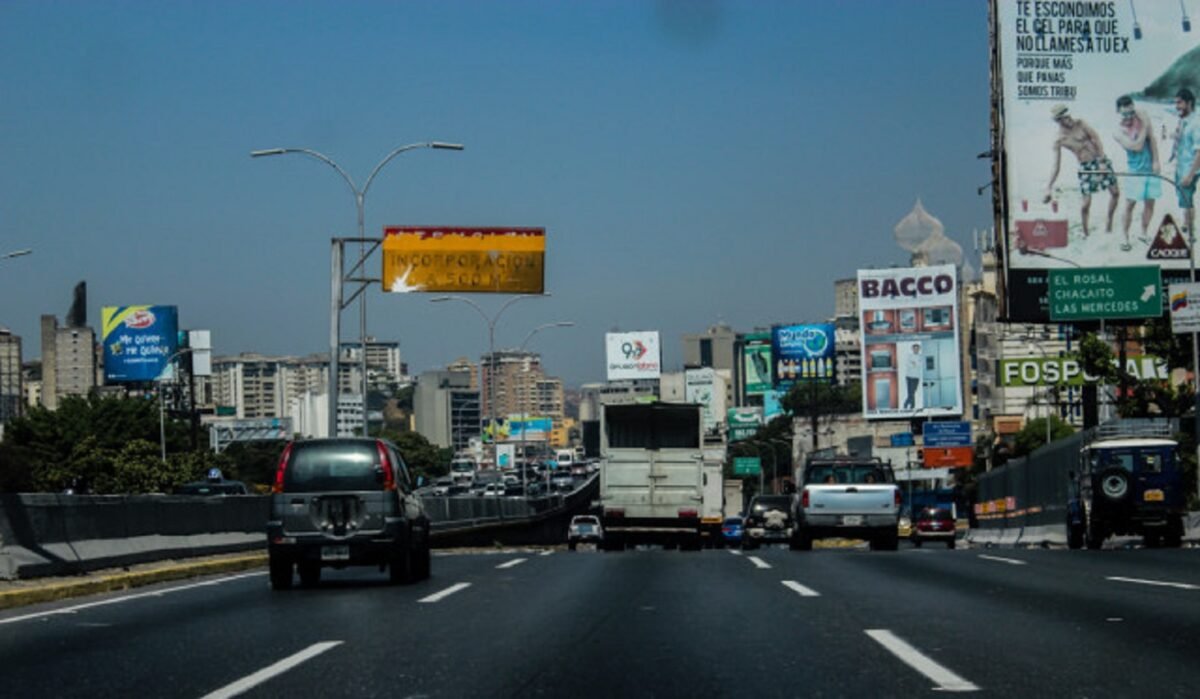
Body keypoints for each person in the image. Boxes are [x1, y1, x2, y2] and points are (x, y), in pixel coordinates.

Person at [1044, 104, 1120, 238]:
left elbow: (1096, 138)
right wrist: (1048, 187)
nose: (1068, 120)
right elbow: (1056, 165)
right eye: (1063, 119)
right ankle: (1086, 233)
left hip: (1099, 159)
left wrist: (1102, 161)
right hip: (1085, 167)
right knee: (1085, 204)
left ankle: (1109, 221)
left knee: (1115, 192)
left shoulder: (1081, 123)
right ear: (1057, 121)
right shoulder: (1059, 139)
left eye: (1068, 116)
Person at [1112, 95, 1160, 250]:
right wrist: (1145, 125)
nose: (1129, 117)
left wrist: (1156, 161)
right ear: (1118, 112)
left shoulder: (1142, 115)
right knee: (1130, 204)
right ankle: (1124, 236)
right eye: (1125, 114)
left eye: (1131, 112)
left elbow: (1152, 139)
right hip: (1134, 171)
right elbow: (1137, 146)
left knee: (1150, 202)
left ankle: (1144, 233)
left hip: (1150, 168)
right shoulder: (1118, 132)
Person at [1173, 88, 1200, 238]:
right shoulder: (1184, 119)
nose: (1176, 106)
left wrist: (1190, 175)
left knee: (1187, 201)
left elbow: (1199, 152)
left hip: (1190, 168)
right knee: (1183, 199)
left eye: (1179, 103)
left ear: (1189, 103)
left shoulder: (1196, 123)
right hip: (1181, 165)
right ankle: (1185, 223)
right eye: (1175, 103)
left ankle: (1191, 232)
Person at [903, 343, 923, 411]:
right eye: (915, 348)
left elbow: (919, 365)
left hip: (916, 377)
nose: (916, 350)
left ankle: (908, 404)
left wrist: (914, 363)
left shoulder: (921, 356)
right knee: (910, 392)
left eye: (917, 348)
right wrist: (914, 364)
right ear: (912, 349)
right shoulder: (909, 356)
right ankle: (910, 405)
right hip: (909, 376)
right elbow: (907, 364)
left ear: (919, 349)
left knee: (913, 391)